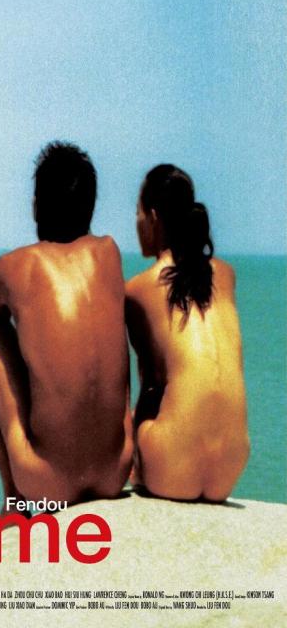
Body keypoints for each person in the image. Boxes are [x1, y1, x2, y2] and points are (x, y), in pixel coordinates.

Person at [0, 142, 133, 505]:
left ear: (36, 205)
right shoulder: (109, 252)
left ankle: (13, 502)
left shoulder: (14, 266)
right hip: (115, 472)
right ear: (90, 206)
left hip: (49, 484)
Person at [126, 164, 250, 502]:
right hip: (231, 467)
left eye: (137, 213)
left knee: (155, 392)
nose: (136, 223)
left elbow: (150, 382)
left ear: (153, 216)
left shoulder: (138, 288)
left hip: (171, 469)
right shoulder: (225, 275)